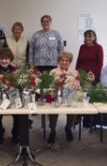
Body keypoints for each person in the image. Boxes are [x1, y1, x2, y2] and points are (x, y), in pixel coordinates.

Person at [29, 15, 64, 144]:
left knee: (51, 92)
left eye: (48, 21)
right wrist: (31, 66)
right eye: (43, 21)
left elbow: (61, 51)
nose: (46, 23)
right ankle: (39, 111)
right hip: (39, 66)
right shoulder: (36, 35)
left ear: (51, 22)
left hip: (53, 66)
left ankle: (51, 121)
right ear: (41, 23)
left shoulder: (56, 34)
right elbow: (31, 50)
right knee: (38, 90)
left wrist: (61, 66)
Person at [0, 48, 19, 144]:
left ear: (10, 59)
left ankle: (15, 133)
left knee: (20, 114)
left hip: (12, 98)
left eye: (6, 58)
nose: (4, 61)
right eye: (1, 58)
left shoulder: (15, 70)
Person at [49, 52, 81, 143]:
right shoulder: (53, 72)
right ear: (59, 61)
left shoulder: (75, 73)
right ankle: (52, 131)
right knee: (53, 111)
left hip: (70, 98)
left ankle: (68, 128)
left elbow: (78, 86)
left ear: (70, 62)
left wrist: (76, 87)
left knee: (72, 111)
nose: (64, 62)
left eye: (67, 60)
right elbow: (50, 86)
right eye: (62, 60)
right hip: (56, 97)